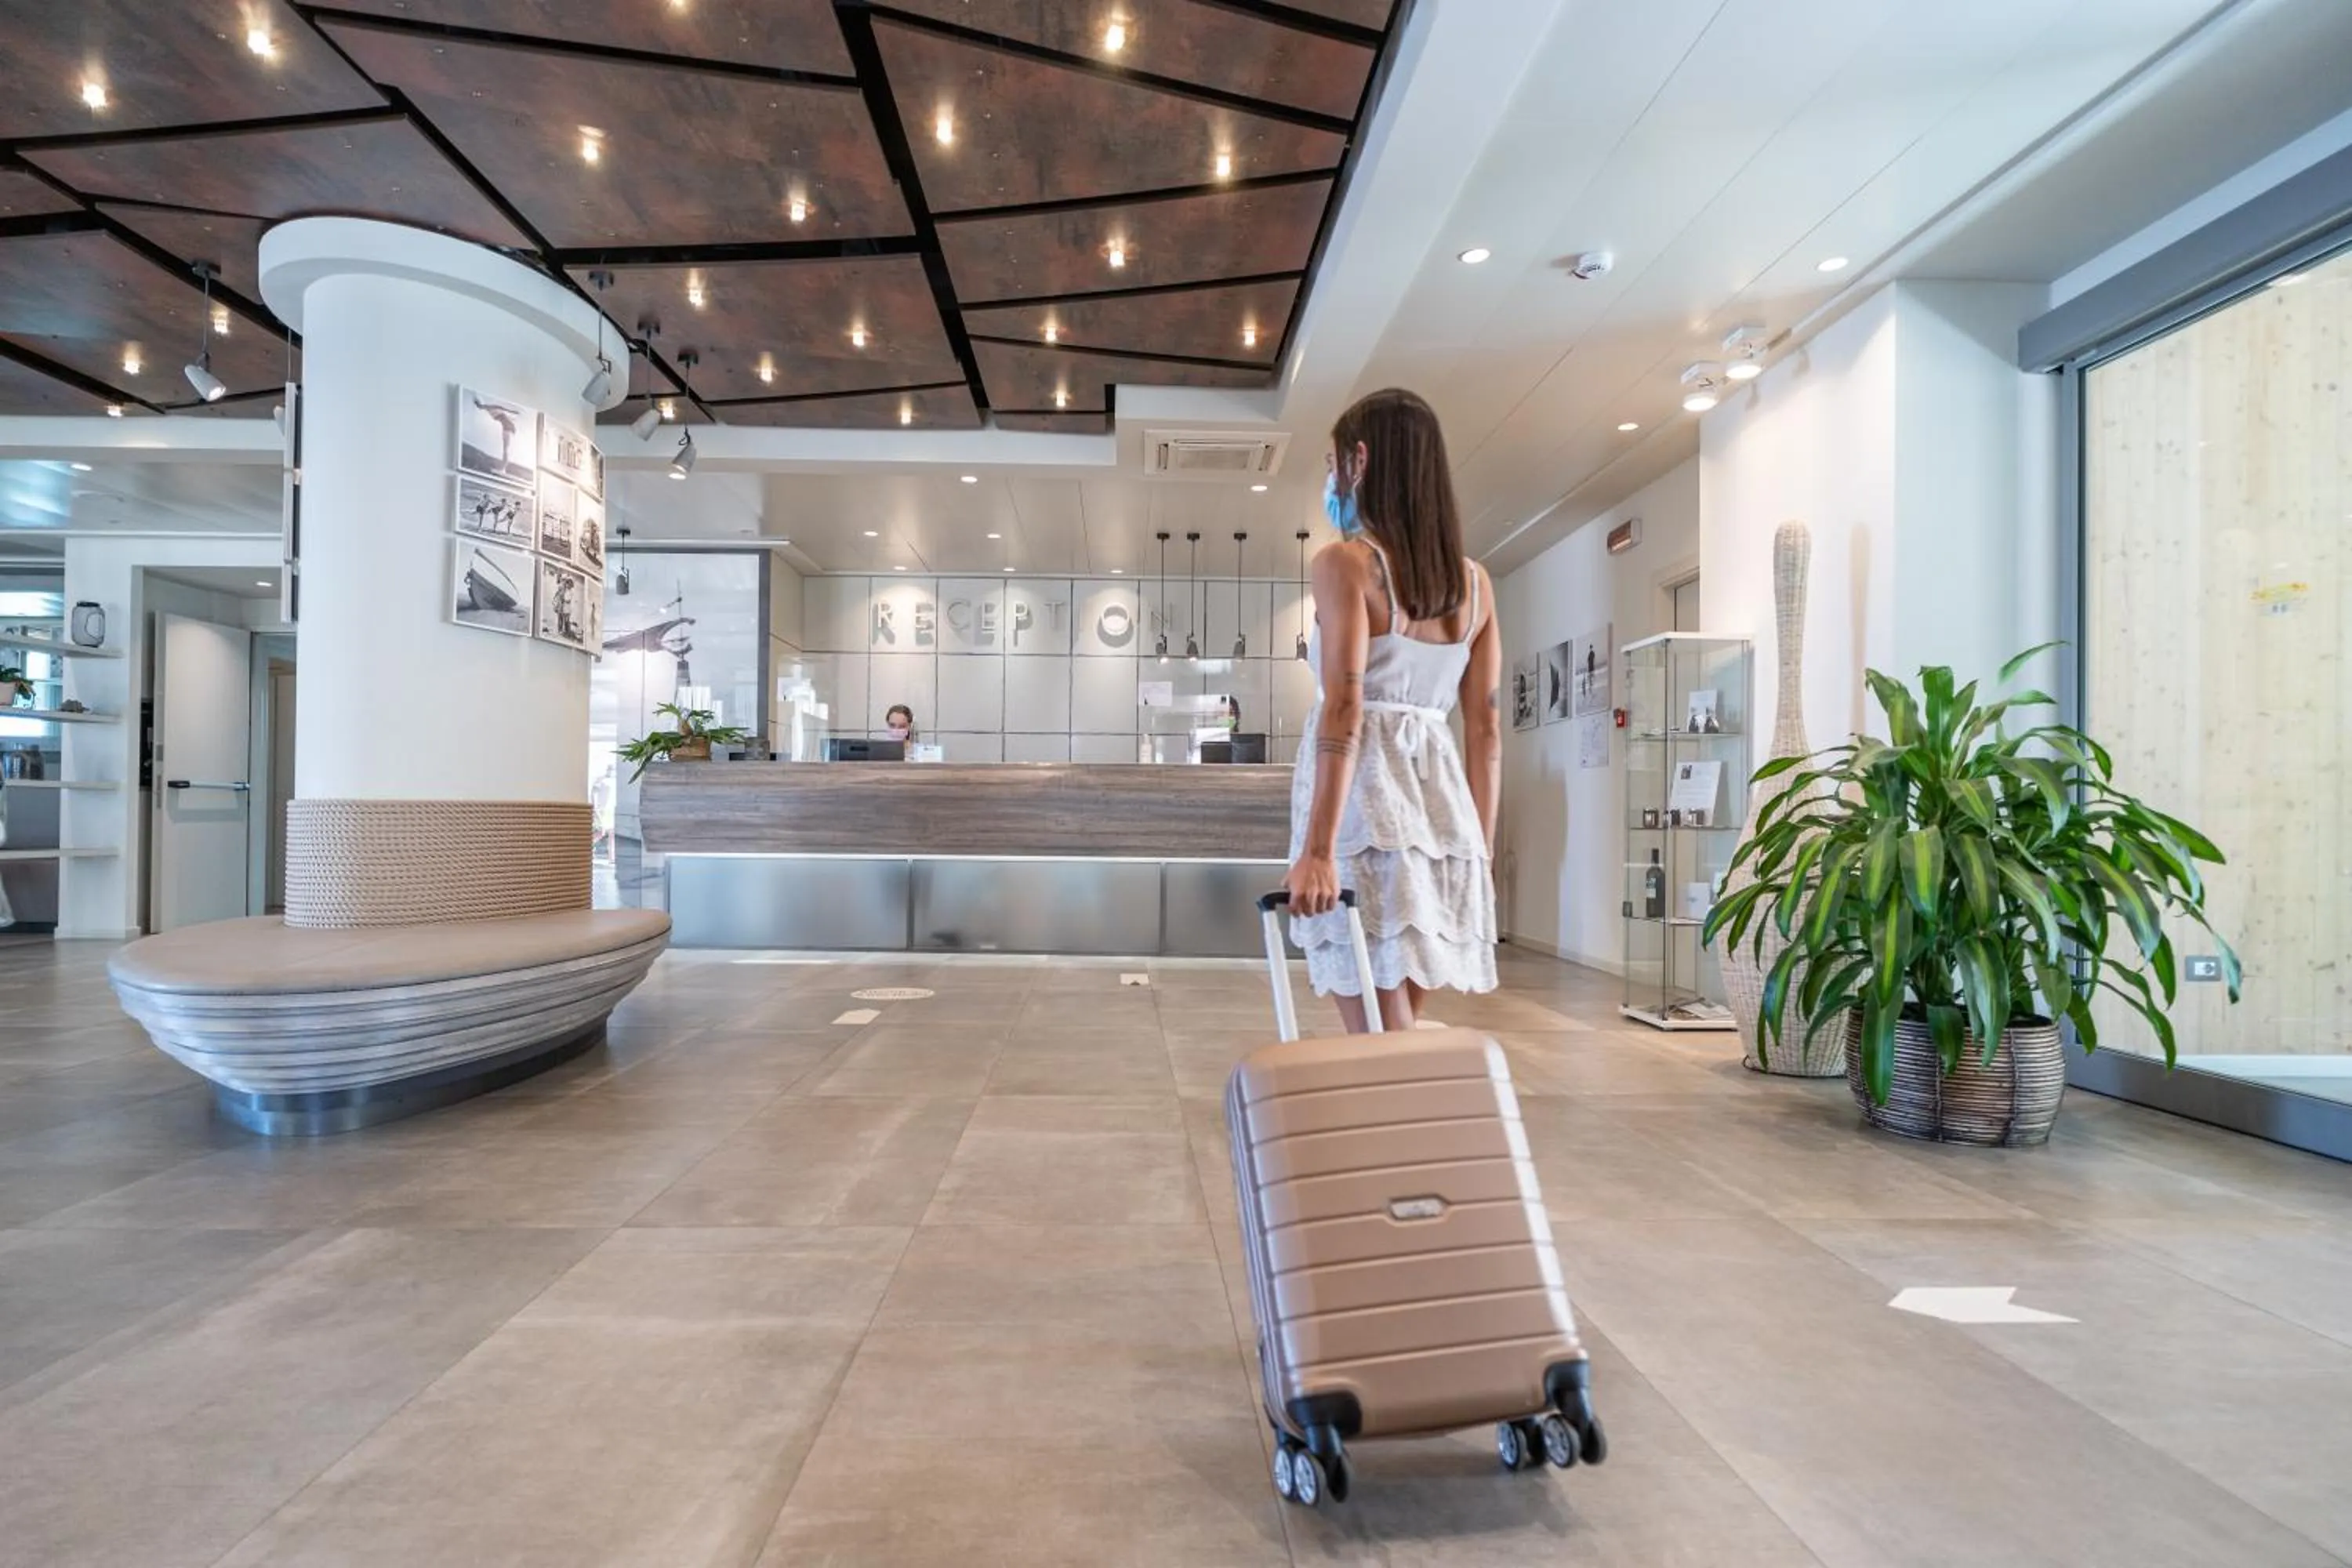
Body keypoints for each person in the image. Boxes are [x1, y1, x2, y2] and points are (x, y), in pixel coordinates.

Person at [1284, 387, 1501, 1032]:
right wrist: (1478, 854)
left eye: (1332, 464)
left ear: (1361, 458)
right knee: (1393, 1020)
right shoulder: (1475, 585)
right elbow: (1486, 729)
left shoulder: (1346, 564)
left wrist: (1318, 849)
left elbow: (1347, 704)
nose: (1330, 479)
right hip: (1443, 821)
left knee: (1379, 1037)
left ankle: (1415, 1130)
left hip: (1365, 812)